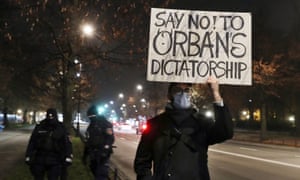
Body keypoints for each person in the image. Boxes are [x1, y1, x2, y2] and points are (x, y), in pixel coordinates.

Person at [134, 76, 234, 180]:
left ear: (191, 94)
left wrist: (216, 94)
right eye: (177, 90)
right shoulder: (155, 125)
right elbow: (142, 162)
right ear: (169, 95)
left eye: (187, 90)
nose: (182, 94)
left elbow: (226, 132)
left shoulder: (202, 123)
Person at [25, 108, 73, 180]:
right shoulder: (40, 126)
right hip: (40, 158)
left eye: (52, 116)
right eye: (49, 116)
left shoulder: (61, 127)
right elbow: (32, 141)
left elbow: (67, 143)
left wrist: (68, 156)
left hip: (55, 159)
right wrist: (28, 155)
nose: (50, 118)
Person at [82, 105, 115, 180]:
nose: (90, 118)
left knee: (101, 174)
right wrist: (85, 155)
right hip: (93, 154)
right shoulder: (91, 126)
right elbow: (88, 141)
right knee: (94, 170)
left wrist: (105, 150)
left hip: (103, 154)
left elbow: (110, 138)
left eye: (91, 116)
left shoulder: (105, 124)